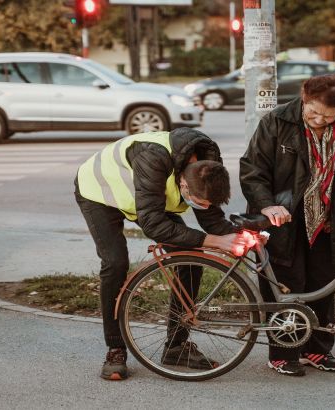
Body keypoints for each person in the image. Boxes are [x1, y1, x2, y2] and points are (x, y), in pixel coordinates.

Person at [75, 128, 246, 381]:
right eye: (198, 200)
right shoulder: (153, 158)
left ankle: (176, 347)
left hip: (148, 197)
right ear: (184, 183)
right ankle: (116, 349)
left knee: (190, 260)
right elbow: (153, 223)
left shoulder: (207, 161)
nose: (203, 206)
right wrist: (213, 241)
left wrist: (241, 235)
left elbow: (210, 215)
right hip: (101, 192)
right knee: (115, 263)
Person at [239, 74, 335, 376]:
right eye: (313, 111)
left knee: (323, 284)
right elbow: (253, 169)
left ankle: (317, 350)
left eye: (328, 116)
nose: (319, 120)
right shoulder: (277, 121)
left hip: (326, 218)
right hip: (283, 219)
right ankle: (282, 353)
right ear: (305, 98)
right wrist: (267, 203)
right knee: (286, 285)